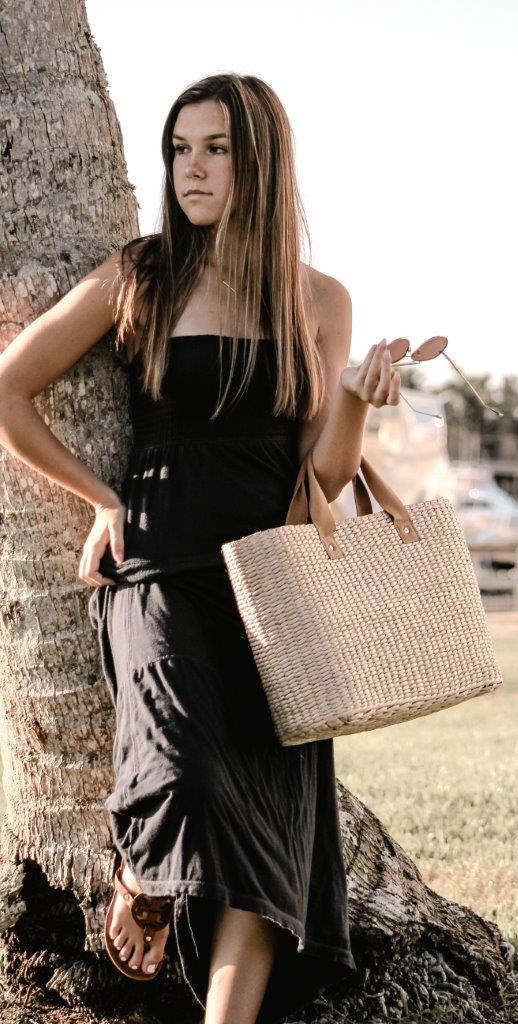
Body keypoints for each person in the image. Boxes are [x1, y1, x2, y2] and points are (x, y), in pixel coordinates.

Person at [0, 73, 403, 1024]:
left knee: (268, 827)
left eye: (216, 148)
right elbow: (9, 391)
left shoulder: (318, 298)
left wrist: (353, 399)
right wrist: (100, 499)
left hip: (276, 590)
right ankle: (143, 872)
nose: (193, 168)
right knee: (179, 769)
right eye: (181, 148)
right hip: (162, 570)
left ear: (259, 160)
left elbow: (326, 477)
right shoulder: (141, 274)